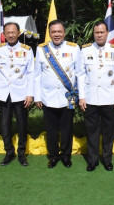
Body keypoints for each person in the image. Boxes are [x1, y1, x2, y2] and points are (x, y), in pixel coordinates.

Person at [77, 21, 114, 172]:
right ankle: (92, 160)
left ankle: (107, 160)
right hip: (90, 99)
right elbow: (81, 75)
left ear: (107, 33)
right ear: (93, 33)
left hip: (110, 99)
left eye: (102, 32)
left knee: (109, 132)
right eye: (96, 32)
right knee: (92, 132)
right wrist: (82, 97)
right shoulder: (85, 51)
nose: (99, 35)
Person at [34, 20, 80, 169]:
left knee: (67, 128)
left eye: (59, 31)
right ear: (49, 33)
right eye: (53, 32)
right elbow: (37, 75)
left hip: (68, 97)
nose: (57, 34)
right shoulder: (41, 50)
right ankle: (53, 156)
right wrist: (37, 96)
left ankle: (66, 155)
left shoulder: (74, 48)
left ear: (64, 33)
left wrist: (79, 94)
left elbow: (79, 73)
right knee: (51, 129)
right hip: (48, 97)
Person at [0, 22, 34, 166]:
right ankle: (9, 152)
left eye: (13, 32)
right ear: (4, 34)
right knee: (4, 125)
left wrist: (30, 94)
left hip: (20, 93)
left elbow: (31, 74)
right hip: (3, 93)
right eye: (8, 32)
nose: (10, 35)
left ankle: (21, 153)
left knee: (22, 124)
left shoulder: (26, 50)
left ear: (18, 33)